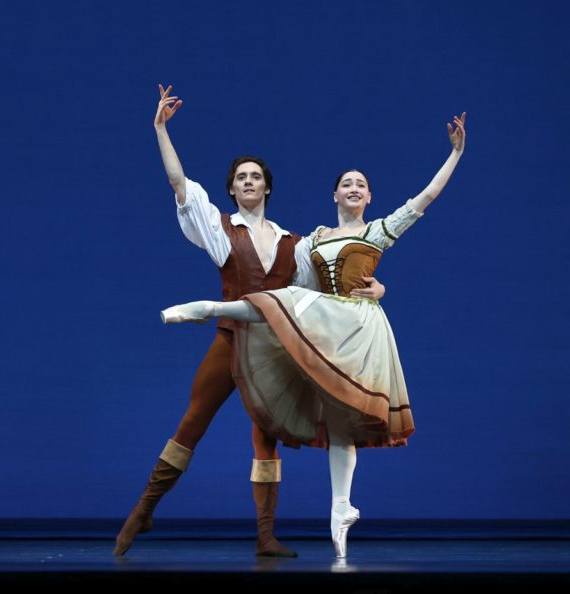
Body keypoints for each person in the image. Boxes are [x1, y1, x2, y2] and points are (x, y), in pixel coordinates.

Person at [160, 113, 467, 558]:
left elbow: (427, 197)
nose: (355, 189)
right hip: (327, 324)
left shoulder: (379, 231)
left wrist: (455, 152)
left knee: (343, 412)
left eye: (362, 184)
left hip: (359, 328)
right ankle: (340, 508)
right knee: (330, 404)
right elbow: (288, 279)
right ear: (336, 194)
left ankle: (209, 308)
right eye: (348, 184)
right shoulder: (313, 240)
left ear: (370, 196)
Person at [114, 86, 385, 558]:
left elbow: (331, 283)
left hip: (274, 354)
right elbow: (180, 186)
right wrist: (160, 129)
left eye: (256, 176)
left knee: (268, 440)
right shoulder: (221, 231)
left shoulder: (294, 243)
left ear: (267, 187)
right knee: (192, 423)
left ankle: (265, 535)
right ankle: (143, 509)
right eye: (240, 177)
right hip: (229, 340)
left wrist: (377, 290)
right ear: (232, 188)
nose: (248, 182)